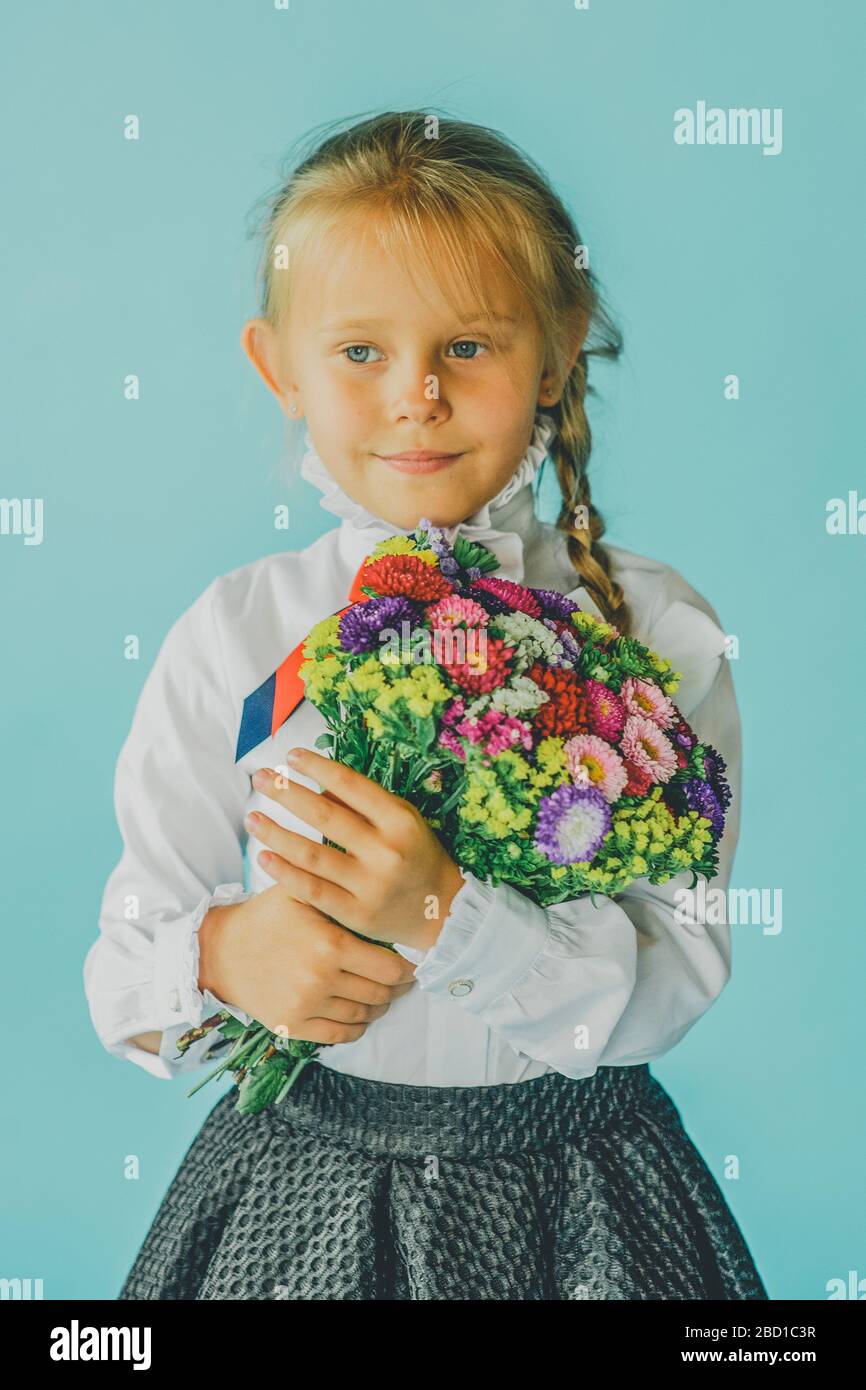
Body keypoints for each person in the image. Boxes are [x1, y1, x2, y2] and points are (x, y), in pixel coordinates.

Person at [84, 109, 769, 1301]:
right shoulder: (237, 635)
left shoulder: (655, 634)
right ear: (277, 366)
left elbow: (678, 969)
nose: (415, 397)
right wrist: (220, 957)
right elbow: (124, 959)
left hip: (583, 1201)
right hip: (301, 1186)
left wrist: (444, 913)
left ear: (553, 354)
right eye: (359, 352)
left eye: (466, 346)